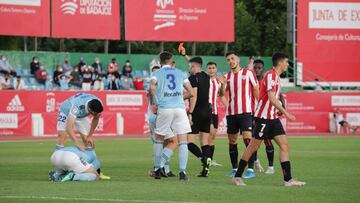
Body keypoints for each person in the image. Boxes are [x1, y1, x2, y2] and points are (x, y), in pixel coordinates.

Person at [232, 52, 306, 187]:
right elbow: (271, 98)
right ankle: (237, 177)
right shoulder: (271, 75)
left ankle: (288, 180)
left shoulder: (276, 77)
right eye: (287, 62)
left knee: (284, 146)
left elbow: (273, 99)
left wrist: (278, 110)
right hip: (263, 119)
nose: (287, 65)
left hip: (273, 118)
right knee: (253, 147)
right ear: (280, 63)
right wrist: (286, 113)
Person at [149, 51, 195, 181]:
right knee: (183, 140)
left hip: (164, 108)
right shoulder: (180, 73)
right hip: (179, 109)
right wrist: (180, 97)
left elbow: (151, 88)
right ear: (171, 60)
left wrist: (154, 103)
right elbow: (191, 93)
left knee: (159, 138)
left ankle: (158, 169)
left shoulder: (156, 74)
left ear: (160, 61)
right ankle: (183, 173)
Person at [220, 51, 259, 178]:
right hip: (231, 114)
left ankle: (251, 170)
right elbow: (221, 94)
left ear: (238, 60)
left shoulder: (248, 73)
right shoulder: (227, 76)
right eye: (228, 60)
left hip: (246, 112)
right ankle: (234, 168)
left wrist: (259, 107)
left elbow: (256, 90)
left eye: (232, 58)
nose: (230, 61)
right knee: (232, 141)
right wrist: (222, 84)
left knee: (248, 140)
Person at [56, 92, 110, 180]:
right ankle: (58, 170)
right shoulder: (77, 105)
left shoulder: (98, 104)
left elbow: (95, 119)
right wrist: (77, 143)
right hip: (66, 111)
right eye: (95, 113)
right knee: (62, 136)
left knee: (89, 142)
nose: (97, 115)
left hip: (81, 116)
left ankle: (97, 171)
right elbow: (69, 127)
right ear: (90, 110)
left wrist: (90, 135)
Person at [179, 47, 213, 177]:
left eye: (190, 66)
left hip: (197, 111)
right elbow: (196, 63)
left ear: (193, 66)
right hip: (208, 111)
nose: (189, 68)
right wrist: (185, 56)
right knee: (204, 141)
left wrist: (190, 112)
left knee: (189, 142)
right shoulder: (206, 76)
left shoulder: (193, 78)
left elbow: (194, 95)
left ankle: (203, 159)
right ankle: (205, 170)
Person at [147, 66, 176, 178]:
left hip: (153, 117)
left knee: (161, 143)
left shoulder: (153, 85)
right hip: (159, 116)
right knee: (172, 141)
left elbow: (149, 98)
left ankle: (165, 170)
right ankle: (158, 167)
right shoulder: (159, 86)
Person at [253, 59, 275, 174]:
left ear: (262, 69)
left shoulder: (267, 81)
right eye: (255, 67)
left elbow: (278, 94)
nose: (257, 70)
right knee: (254, 140)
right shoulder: (249, 81)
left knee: (267, 139)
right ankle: (256, 162)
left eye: (259, 68)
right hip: (252, 114)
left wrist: (283, 107)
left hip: (265, 114)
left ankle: (271, 166)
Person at [206, 62, 228, 167]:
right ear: (206, 69)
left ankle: (209, 160)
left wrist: (223, 84)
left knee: (213, 135)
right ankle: (206, 159)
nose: (211, 70)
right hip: (206, 111)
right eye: (209, 68)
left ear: (216, 69)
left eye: (213, 68)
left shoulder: (218, 82)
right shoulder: (204, 80)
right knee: (209, 134)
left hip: (215, 111)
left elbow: (222, 94)